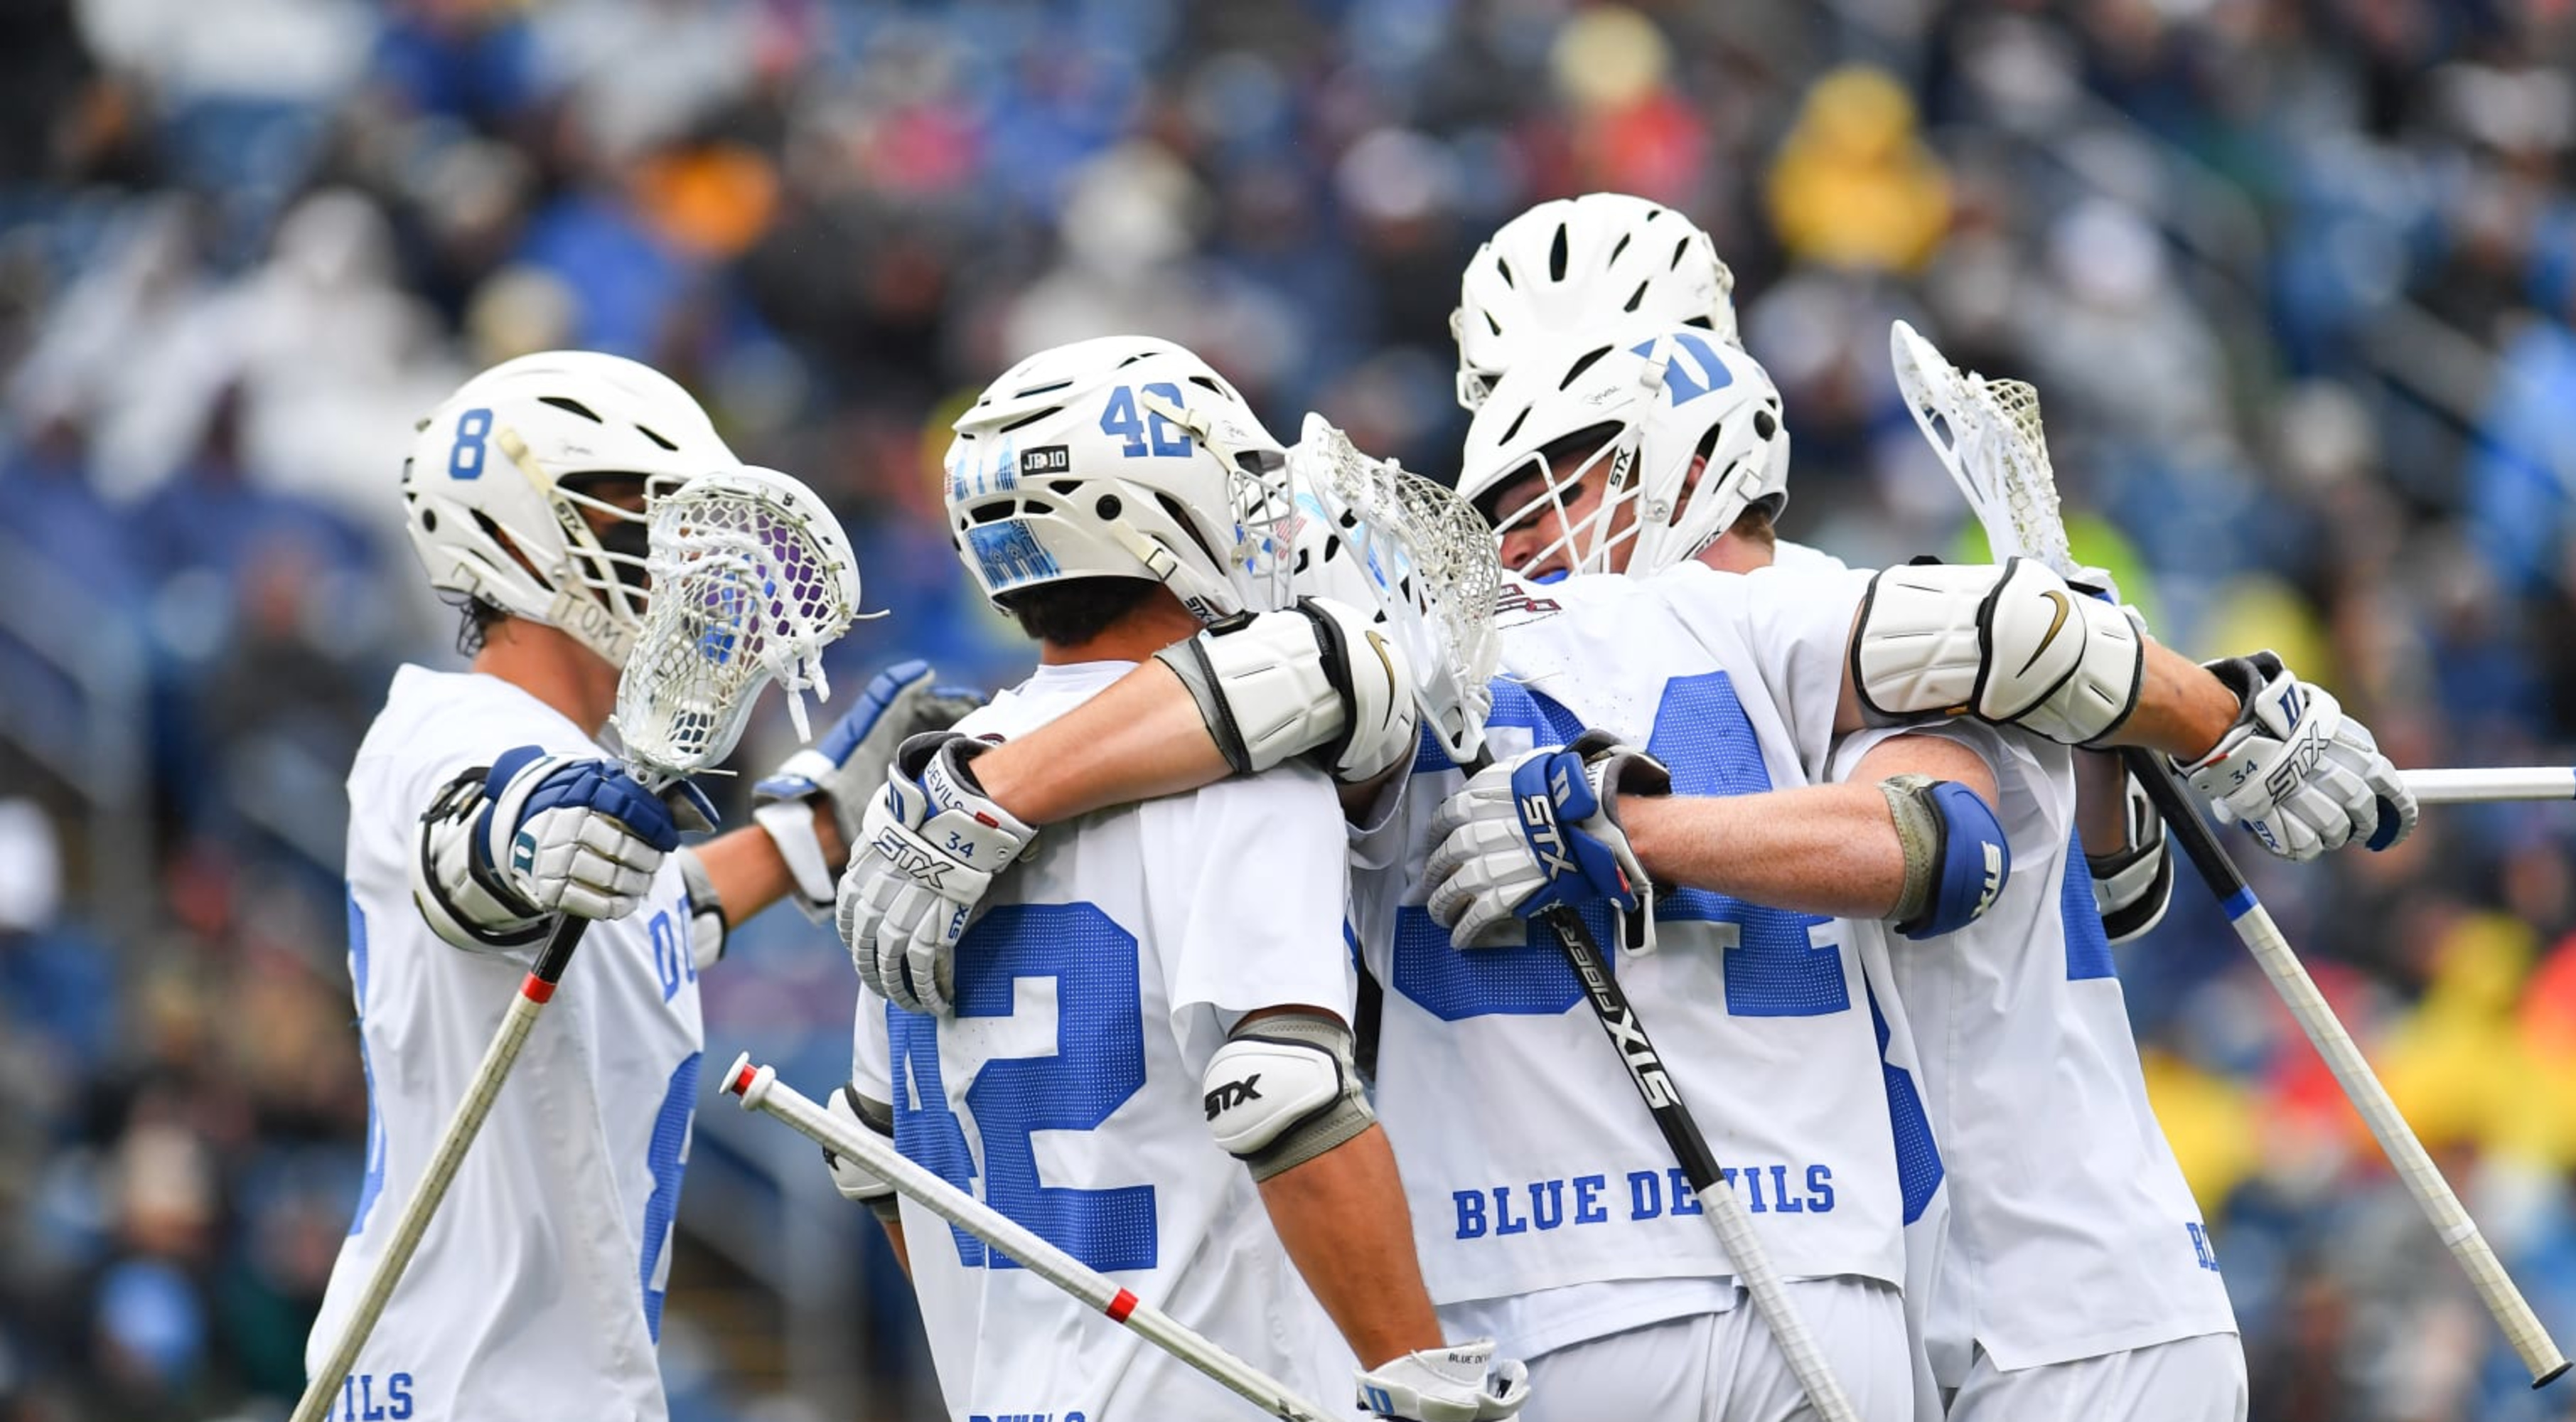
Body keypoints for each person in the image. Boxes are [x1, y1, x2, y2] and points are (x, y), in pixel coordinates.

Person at [832, 333, 2413, 1419]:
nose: (1531, 525)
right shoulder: (1257, 756)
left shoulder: (945, 784)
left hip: (1517, 1312)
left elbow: (872, 1161)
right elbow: (1982, 736)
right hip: (1834, 1294)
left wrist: (977, 785)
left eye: (1560, 475)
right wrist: (2217, 711)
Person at [830, 336, 1529, 1422]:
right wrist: (1416, 1369)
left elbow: (878, 1158)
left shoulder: (917, 793)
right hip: (1211, 1388)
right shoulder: (1247, 776)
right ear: (1165, 511)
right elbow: (1283, 1100)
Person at [312, 351, 962, 1420]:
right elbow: (483, 850)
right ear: (518, 535)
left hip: (542, 1383)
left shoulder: (576, 777)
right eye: (642, 520)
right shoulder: (456, 730)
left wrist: (808, 831)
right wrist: (533, 834)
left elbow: (650, 920)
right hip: (466, 1388)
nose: (680, 561)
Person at [1449, 192, 2175, 944]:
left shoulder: (1830, 613)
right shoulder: (1478, 647)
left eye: (1580, 443)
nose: (1526, 525)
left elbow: (1999, 861)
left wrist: (1624, 826)